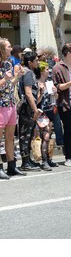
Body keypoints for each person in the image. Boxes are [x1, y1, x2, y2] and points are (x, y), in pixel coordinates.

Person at [18, 51, 49, 171]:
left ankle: (28, 160)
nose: (38, 62)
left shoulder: (27, 72)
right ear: (30, 62)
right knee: (25, 136)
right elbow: (28, 93)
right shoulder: (28, 73)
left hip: (29, 108)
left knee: (29, 135)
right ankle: (25, 163)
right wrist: (35, 109)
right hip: (27, 109)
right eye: (36, 60)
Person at [0, 38, 25, 179]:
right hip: (0, 105)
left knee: (10, 137)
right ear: (1, 49)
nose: (11, 49)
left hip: (10, 104)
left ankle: (11, 165)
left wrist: (16, 77)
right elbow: (3, 82)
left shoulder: (8, 63)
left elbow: (10, 84)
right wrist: (5, 79)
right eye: (9, 47)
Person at [36, 61, 58, 169]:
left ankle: (48, 158)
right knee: (45, 136)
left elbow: (55, 98)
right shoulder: (37, 83)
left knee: (49, 136)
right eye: (46, 69)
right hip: (41, 112)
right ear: (41, 71)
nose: (48, 71)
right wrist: (40, 92)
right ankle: (44, 160)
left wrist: (55, 92)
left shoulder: (49, 81)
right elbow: (36, 101)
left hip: (50, 110)